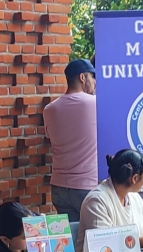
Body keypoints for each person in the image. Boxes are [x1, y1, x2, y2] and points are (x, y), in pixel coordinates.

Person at [43, 59, 98, 222]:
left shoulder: (50, 109)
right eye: (93, 77)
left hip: (59, 188)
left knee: (70, 244)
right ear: (83, 77)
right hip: (87, 187)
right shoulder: (96, 104)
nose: (95, 82)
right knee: (95, 243)